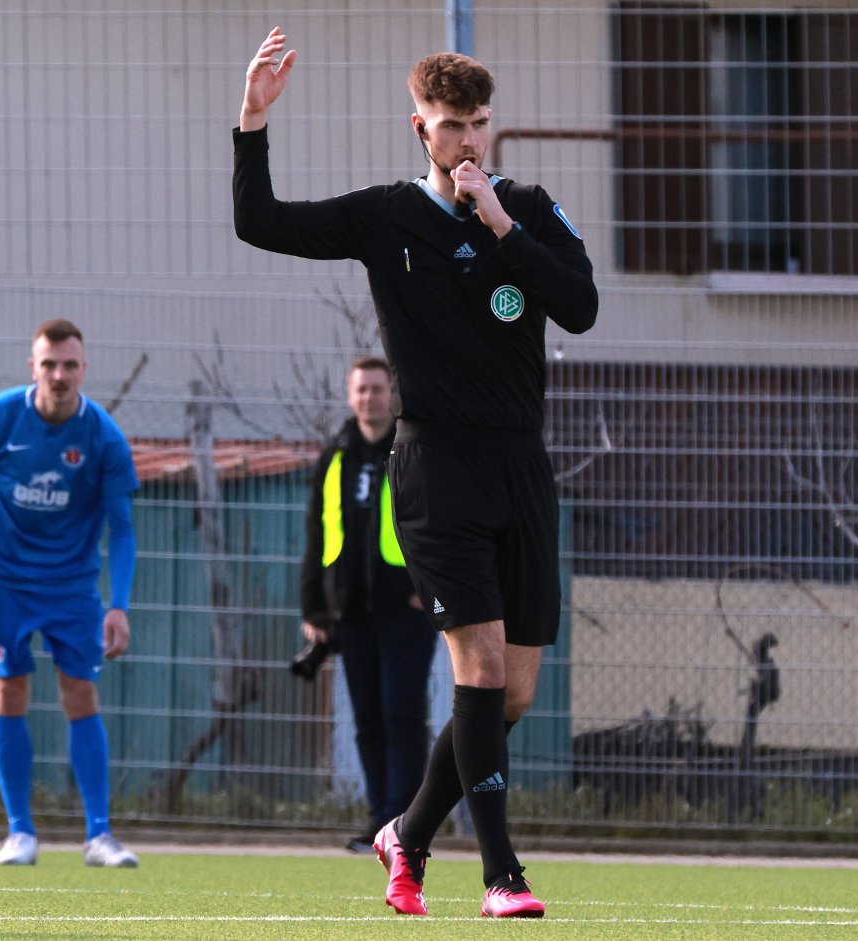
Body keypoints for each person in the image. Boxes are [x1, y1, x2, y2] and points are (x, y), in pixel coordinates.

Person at [234, 28, 598, 917]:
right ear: (419, 128)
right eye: (451, 126)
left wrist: (501, 223)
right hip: (435, 467)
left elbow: (581, 308)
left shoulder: (533, 210)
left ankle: (406, 832)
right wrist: (251, 120)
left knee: (510, 692)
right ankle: (503, 875)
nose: (469, 142)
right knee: (475, 669)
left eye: (480, 124)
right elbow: (262, 222)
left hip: (520, 464)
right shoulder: (386, 217)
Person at [0, 319, 140, 868]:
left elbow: (122, 527)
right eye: (49, 364)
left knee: (80, 693)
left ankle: (99, 836)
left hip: (71, 584)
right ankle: (19, 833)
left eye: (69, 365)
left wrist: (119, 604)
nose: (59, 375)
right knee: (8, 690)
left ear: (84, 369)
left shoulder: (102, 436)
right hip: (3, 579)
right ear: (32, 367)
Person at [299, 355, 437, 853]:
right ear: (349, 394)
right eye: (360, 390)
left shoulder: (411, 448)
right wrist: (315, 608)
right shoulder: (337, 453)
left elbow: (435, 523)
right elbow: (317, 530)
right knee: (367, 719)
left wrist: (431, 590)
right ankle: (381, 824)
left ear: (390, 395)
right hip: (351, 612)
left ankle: (409, 824)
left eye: (377, 390)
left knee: (402, 713)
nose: (368, 398)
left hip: (405, 608)